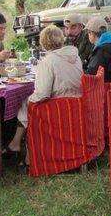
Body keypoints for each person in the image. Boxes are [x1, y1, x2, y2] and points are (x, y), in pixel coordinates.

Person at [5, 25, 84, 163]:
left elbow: (42, 94)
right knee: (27, 102)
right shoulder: (75, 56)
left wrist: (30, 98)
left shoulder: (49, 60)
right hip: (77, 102)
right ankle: (16, 143)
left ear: (43, 42)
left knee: (26, 103)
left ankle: (20, 148)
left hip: (58, 106)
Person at [84, 17, 111, 82]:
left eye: (88, 32)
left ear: (92, 33)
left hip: (105, 88)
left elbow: (92, 74)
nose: (88, 35)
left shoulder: (101, 50)